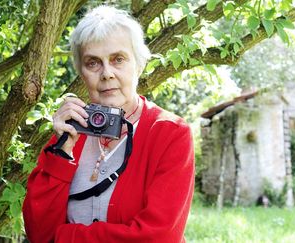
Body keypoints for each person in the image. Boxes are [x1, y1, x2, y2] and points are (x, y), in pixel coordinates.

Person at [22, 5, 195, 243]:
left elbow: (158, 236)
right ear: (82, 73)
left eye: (118, 59)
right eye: (93, 63)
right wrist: (61, 152)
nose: (106, 73)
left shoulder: (170, 133)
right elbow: (39, 233)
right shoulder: (73, 130)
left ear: (139, 64)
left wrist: (66, 237)